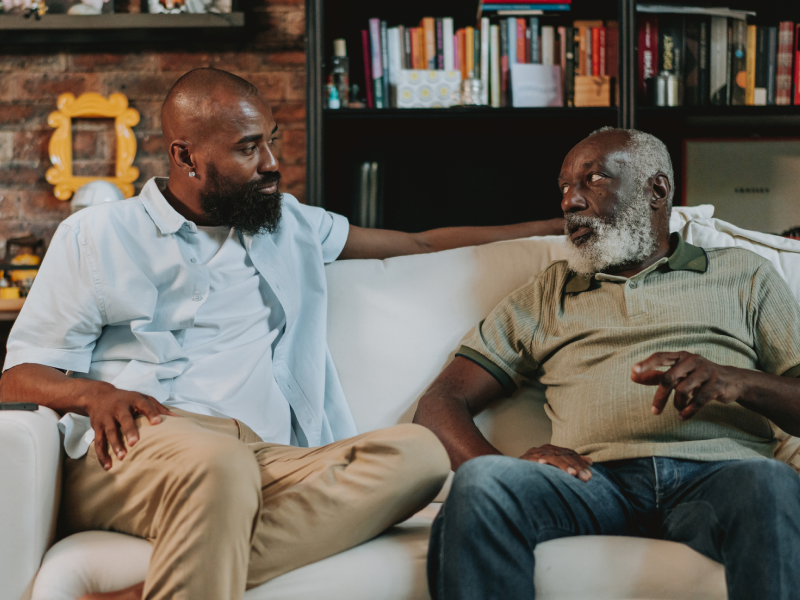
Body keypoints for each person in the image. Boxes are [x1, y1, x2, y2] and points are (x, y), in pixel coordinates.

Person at [0, 68, 563, 600]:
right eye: (248, 148)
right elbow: (17, 377)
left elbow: (417, 244)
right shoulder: (98, 234)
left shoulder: (290, 224)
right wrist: (94, 394)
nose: (272, 162)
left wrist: (548, 231)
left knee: (418, 455)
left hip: (262, 455)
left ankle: (170, 583)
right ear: (186, 156)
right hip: (137, 446)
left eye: (270, 140)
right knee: (219, 464)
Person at [414, 127, 800, 600]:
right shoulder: (548, 292)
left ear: (656, 190)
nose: (570, 202)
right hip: (593, 482)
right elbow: (440, 402)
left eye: (592, 180)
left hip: (723, 478)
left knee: (770, 482)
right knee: (483, 482)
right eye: (563, 188)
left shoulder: (744, 274)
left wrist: (735, 381)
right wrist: (502, 464)